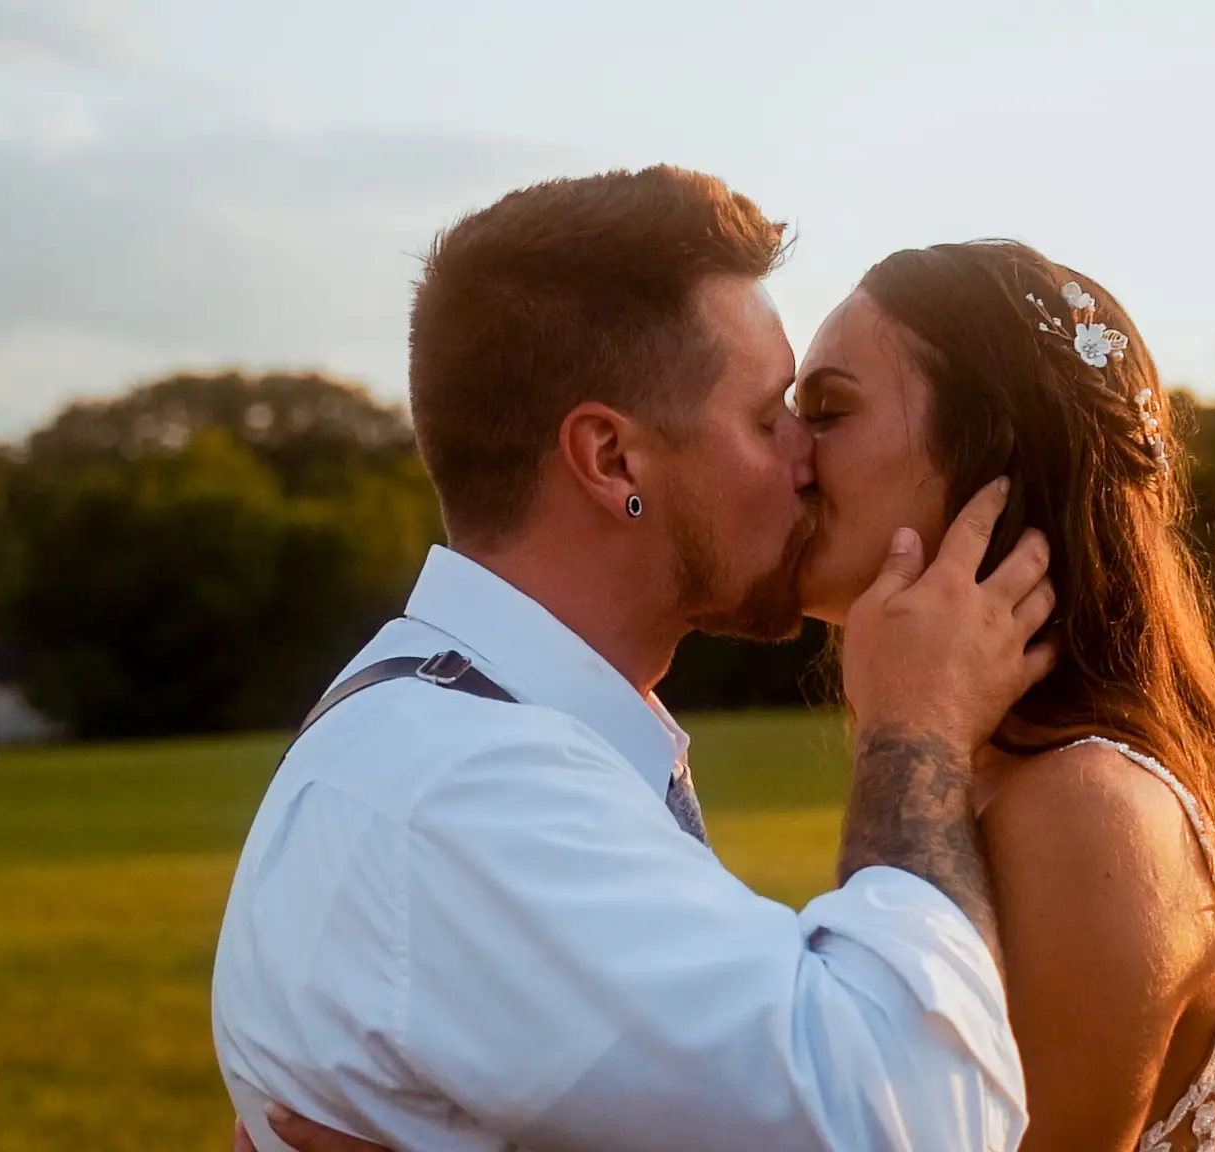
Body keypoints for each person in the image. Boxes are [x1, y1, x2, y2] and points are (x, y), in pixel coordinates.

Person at [249, 240, 1215, 1152]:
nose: (791, 457)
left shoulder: (1083, 809)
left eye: (822, 410)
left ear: (988, 455)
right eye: (776, 415)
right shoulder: (989, 779)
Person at [212, 169, 1057, 1152]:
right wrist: (916, 734)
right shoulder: (471, 786)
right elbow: (911, 1118)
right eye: (764, 418)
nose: (803, 457)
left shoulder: (435, 726)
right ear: (614, 462)